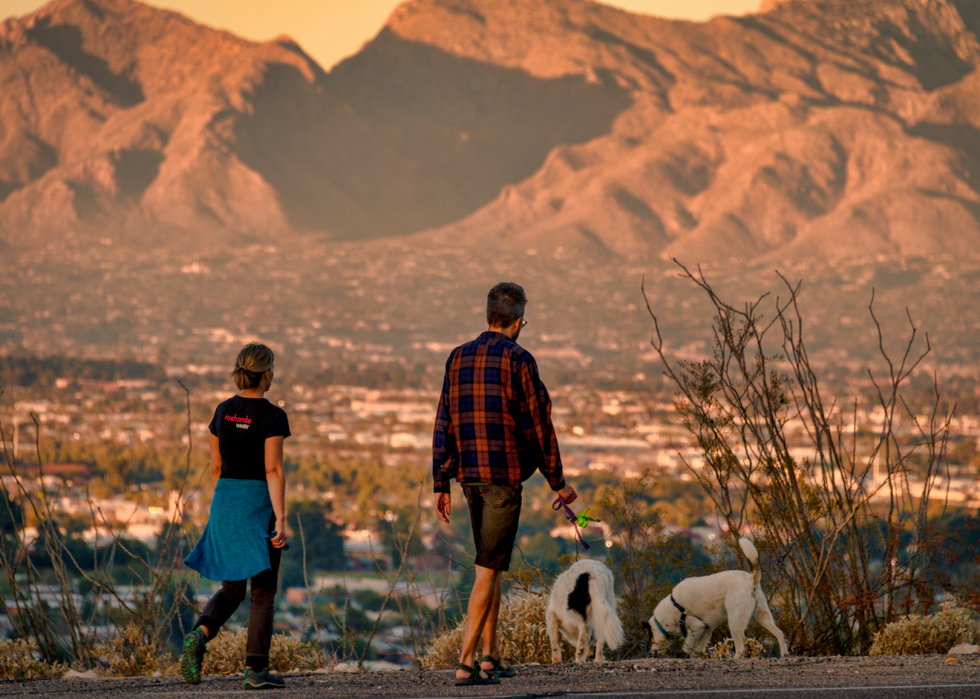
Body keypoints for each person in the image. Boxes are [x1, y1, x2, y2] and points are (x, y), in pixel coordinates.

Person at [432, 282, 577, 686]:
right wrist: (558, 481)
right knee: (487, 569)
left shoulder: (457, 357)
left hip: (468, 476)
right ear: (517, 321)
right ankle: (465, 663)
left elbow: (444, 419)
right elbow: (538, 423)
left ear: (487, 316)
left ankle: (492, 655)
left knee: (492, 565)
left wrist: (440, 481)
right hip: (502, 476)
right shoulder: (519, 360)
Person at [182, 343, 290, 690]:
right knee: (262, 591)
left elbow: (215, 467)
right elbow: (273, 469)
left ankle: (200, 635)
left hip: (225, 501)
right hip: (257, 505)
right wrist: (281, 518)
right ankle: (255, 672)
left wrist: (228, 504)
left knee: (232, 588)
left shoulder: (223, 410)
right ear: (267, 373)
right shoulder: (273, 416)